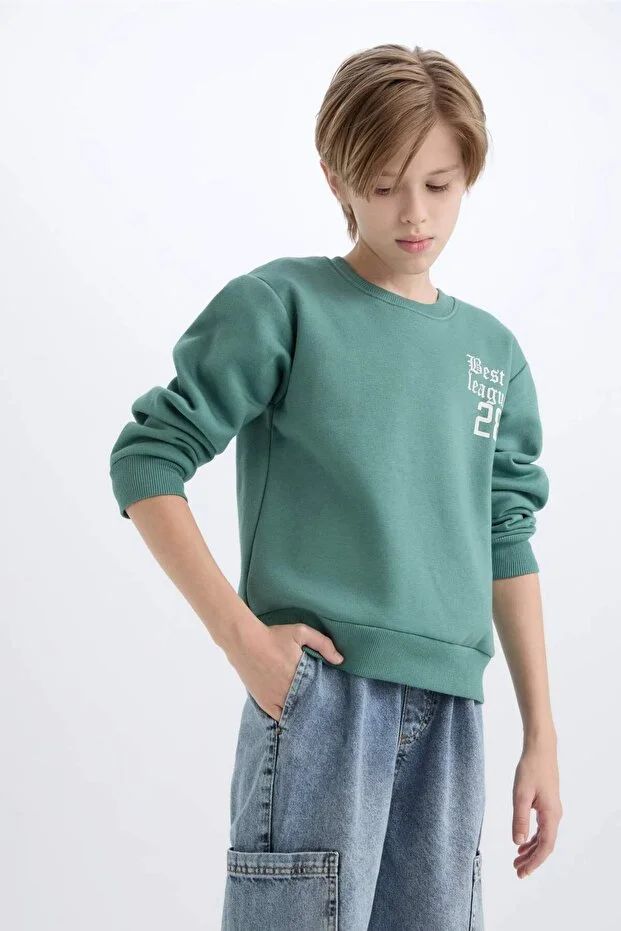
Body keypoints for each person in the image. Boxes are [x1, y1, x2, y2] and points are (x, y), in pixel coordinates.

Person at [109, 43, 562, 931]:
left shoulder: (492, 354)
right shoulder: (282, 305)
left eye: (438, 184)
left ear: (467, 176)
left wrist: (540, 732)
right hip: (324, 699)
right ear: (336, 177)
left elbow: (506, 533)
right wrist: (245, 642)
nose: (413, 212)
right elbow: (148, 458)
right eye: (385, 184)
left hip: (452, 715)